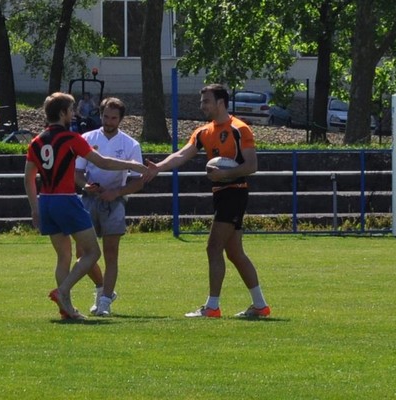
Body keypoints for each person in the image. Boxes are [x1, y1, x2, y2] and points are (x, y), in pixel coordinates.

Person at [145, 83, 271, 319]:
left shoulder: (239, 129)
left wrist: (224, 174)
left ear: (220, 103)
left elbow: (251, 166)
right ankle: (260, 306)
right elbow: (182, 154)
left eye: (206, 101)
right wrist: (158, 168)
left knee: (213, 247)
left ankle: (212, 307)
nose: (202, 105)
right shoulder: (203, 132)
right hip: (222, 194)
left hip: (235, 191)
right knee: (234, 253)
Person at [24, 92, 148, 320]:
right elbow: (102, 162)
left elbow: (28, 177)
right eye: (71, 110)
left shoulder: (37, 141)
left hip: (46, 201)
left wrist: (34, 208)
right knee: (92, 252)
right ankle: (63, 292)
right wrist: (133, 165)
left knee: (63, 256)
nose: (74, 114)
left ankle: (67, 309)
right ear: (62, 113)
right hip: (66, 200)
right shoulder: (72, 138)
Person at [73, 97, 144, 316]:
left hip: (115, 201)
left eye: (114, 118)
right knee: (82, 253)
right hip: (90, 199)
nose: (109, 121)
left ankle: (104, 302)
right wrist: (86, 185)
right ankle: (102, 288)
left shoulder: (130, 144)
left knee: (111, 253)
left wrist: (117, 193)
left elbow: (139, 178)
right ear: (100, 115)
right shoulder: (87, 138)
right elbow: (77, 172)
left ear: (121, 119)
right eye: (105, 116)